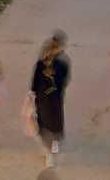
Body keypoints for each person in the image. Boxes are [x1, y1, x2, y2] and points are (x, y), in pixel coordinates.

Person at [31, 32, 71, 168]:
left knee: (56, 122)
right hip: (42, 99)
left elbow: (63, 80)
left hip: (55, 97)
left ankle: (55, 143)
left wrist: (53, 73)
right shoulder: (39, 65)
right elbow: (34, 81)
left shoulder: (62, 66)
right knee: (42, 125)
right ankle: (48, 155)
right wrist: (32, 95)